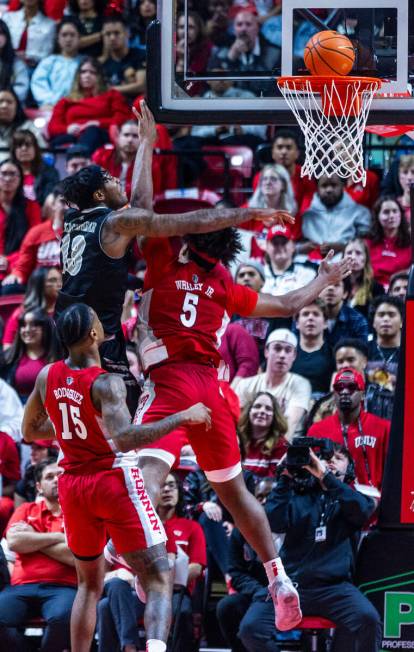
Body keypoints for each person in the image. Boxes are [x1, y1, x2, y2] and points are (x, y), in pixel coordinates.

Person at [130, 214, 349, 634]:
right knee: (236, 494)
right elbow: (287, 306)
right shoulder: (224, 284)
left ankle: (141, 556)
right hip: (211, 388)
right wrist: (324, 278)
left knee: (144, 473)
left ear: (189, 240)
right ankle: (278, 576)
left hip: (170, 381)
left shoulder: (162, 258)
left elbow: (143, 208)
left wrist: (145, 144)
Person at [56, 100, 289, 414]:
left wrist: (146, 144)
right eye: (111, 181)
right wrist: (249, 213)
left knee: (89, 417)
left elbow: (139, 205)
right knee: (122, 422)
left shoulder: (73, 220)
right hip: (95, 336)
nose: (117, 181)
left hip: (69, 326)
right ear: (99, 196)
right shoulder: (114, 223)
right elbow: (188, 221)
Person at [22, 303, 212, 652]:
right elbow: (126, 439)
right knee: (158, 577)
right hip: (112, 479)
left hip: (73, 486)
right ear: (94, 334)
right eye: (98, 317)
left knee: (87, 586)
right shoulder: (106, 382)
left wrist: (69, 432)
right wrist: (183, 416)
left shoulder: (46, 375)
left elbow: (30, 431)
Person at [266, 445, 382, 652]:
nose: (330, 461)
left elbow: (363, 511)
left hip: (335, 588)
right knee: (249, 627)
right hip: (294, 586)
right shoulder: (296, 494)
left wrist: (325, 476)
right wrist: (284, 476)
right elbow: (274, 522)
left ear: (350, 468)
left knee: (368, 619)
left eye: (338, 458)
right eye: (325, 458)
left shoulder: (355, 496)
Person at [1, 459, 77, 652]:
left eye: (60, 475)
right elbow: (15, 542)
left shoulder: (79, 514)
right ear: (39, 487)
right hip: (21, 588)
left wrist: (33, 538)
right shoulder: (25, 510)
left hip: (64, 587)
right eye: (49, 477)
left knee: (63, 618)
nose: (56, 480)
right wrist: (59, 537)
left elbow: (75, 555)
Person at [307, 367, 390, 490]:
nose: (344, 391)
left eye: (351, 387)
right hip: (330, 502)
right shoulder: (316, 430)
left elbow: (393, 472)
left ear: (363, 394)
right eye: (339, 387)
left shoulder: (383, 428)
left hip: (372, 503)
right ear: (334, 393)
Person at [157, 472, 207, 652]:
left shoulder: (192, 527)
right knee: (106, 606)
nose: (167, 490)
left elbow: (196, 567)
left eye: (172, 485)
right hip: (143, 590)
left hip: (178, 591)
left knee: (184, 611)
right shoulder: (142, 526)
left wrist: (166, 580)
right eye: (162, 485)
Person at [234, 329, 312, 440]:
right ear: (266, 351)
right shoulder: (245, 385)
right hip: (248, 447)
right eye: (277, 348)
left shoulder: (301, 384)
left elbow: (289, 427)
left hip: (285, 449)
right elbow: (238, 424)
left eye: (288, 350)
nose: (282, 355)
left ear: (294, 356)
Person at [47, 56, 132, 154]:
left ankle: (82, 162)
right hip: (73, 135)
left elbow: (123, 118)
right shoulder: (66, 100)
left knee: (92, 131)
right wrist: (67, 129)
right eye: (83, 72)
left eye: (92, 72)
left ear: (99, 76)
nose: (87, 75)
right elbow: (52, 126)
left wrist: (99, 123)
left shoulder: (112, 95)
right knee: (59, 141)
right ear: (78, 76)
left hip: (101, 133)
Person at [252, 129, 316, 239]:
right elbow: (260, 204)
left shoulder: (305, 176)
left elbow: (307, 208)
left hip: (297, 228)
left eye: (289, 147)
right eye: (280, 147)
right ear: (272, 152)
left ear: (297, 153)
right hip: (267, 226)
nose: (284, 152)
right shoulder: (261, 177)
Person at [92, 118, 177, 198]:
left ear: (142, 139)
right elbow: (94, 188)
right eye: (126, 135)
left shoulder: (150, 163)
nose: (130, 140)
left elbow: (152, 195)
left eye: (135, 136)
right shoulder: (102, 156)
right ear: (118, 137)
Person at [2, 189, 64, 293]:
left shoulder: (81, 234)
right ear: (53, 204)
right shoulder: (36, 233)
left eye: (72, 202)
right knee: (10, 288)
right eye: (63, 202)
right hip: (39, 288)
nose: (68, 206)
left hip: (69, 289)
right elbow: (23, 266)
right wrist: (17, 275)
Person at [211, 9, 280, 96]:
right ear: (234, 29)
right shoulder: (222, 52)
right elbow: (216, 87)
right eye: (239, 24)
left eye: (248, 24)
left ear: (257, 28)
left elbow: (275, 88)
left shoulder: (275, 53)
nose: (244, 29)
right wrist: (230, 59)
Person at [300, 174, 372, 257]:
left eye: (334, 185)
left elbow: (366, 246)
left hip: (347, 263)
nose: (329, 190)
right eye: (324, 185)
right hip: (308, 265)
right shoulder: (307, 215)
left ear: (343, 186)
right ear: (317, 188)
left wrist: (343, 247)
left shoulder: (360, 213)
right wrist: (303, 248)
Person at [0, 307, 62, 403]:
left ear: (45, 329)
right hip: (16, 412)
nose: (27, 330)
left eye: (33, 325)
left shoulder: (59, 358)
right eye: (23, 325)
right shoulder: (7, 359)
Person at [0, 158, 41, 284]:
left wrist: (9, 260)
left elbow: (35, 241)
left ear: (20, 179)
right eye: (4, 173)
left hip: (19, 265)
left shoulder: (31, 206)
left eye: (12, 174)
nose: (8, 178)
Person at [3, 267, 62, 349]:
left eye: (60, 280)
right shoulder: (21, 313)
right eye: (52, 280)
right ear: (39, 285)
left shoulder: (65, 311)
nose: (59, 284)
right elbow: (7, 346)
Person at [30, 16, 83, 108]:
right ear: (57, 38)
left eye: (72, 35)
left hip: (79, 107)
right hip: (50, 107)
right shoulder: (48, 62)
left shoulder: (86, 63)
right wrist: (50, 102)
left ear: (79, 38)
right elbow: (38, 84)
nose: (68, 39)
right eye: (64, 35)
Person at [365, 295, 402, 420]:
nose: (386, 319)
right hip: (366, 415)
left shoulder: (410, 351)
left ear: (402, 321)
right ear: (374, 322)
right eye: (381, 315)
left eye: (391, 315)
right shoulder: (363, 350)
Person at [238, 391, 288, 477]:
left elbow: (272, 483)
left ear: (274, 416)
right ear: (249, 411)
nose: (262, 411)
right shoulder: (236, 440)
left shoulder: (281, 445)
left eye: (268, 408)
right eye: (257, 406)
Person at [366, 195, 411, 290]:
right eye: (386, 212)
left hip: (401, 289)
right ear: (377, 216)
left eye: (395, 211)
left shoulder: (410, 242)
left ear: (401, 215)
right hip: (371, 289)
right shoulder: (367, 242)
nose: (391, 216)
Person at [291, 299, 335, 396]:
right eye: (305, 314)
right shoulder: (287, 353)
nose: (310, 318)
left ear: (325, 323)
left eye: (316, 314)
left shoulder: (333, 354)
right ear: (297, 323)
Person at [262, 223, 316, 297]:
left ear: (293, 246)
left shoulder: (307, 272)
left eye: (284, 242)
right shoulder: (258, 274)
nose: (280, 247)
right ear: (267, 247)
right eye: (275, 243)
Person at [100, 15, 146, 99]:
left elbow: (141, 86)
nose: (112, 38)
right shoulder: (102, 64)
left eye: (117, 33)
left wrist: (110, 89)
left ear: (127, 33)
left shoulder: (141, 55)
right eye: (108, 34)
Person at [2, 0, 56, 70]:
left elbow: (48, 55)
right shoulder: (7, 18)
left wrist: (27, 56)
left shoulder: (49, 24)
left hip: (35, 69)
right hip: (7, 66)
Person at [11, 129, 59, 204]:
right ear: (14, 150)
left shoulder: (50, 172)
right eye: (19, 145)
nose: (24, 149)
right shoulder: (5, 172)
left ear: (35, 149)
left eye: (28, 145)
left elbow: (50, 198)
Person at [319, 277, 369, 347]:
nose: (330, 288)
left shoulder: (358, 320)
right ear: (318, 292)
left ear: (345, 293)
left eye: (336, 285)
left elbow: (362, 353)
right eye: (326, 284)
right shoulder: (308, 316)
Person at [0, 89, 45, 163]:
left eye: (9, 102)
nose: (4, 106)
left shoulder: (29, 128)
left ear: (17, 106)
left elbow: (42, 154)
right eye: (0, 101)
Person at [343, 238, 384, 319]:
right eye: (349, 253)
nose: (353, 257)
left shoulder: (376, 288)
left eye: (358, 253)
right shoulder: (336, 284)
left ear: (366, 258)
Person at [176, 11, 212, 97]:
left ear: (198, 30)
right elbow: (174, 88)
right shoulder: (169, 49)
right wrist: (181, 60)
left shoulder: (208, 49)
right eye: (181, 27)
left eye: (191, 27)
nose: (185, 31)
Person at [0, 19, 29, 104]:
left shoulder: (17, 63)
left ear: (7, 36)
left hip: (8, 105)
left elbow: (21, 89)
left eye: (1, 33)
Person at [396, 154, 414, 223]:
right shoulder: (393, 205)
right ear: (399, 177)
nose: (409, 177)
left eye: (413, 172)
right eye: (405, 172)